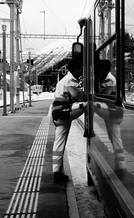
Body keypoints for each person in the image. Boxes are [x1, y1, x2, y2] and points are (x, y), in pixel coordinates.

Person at [52, 55, 86, 183]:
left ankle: (57, 171)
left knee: (59, 142)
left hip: (58, 113)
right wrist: (84, 94)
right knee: (87, 105)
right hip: (63, 113)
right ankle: (57, 173)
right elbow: (77, 96)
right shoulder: (70, 80)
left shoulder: (66, 79)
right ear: (76, 69)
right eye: (80, 69)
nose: (82, 72)